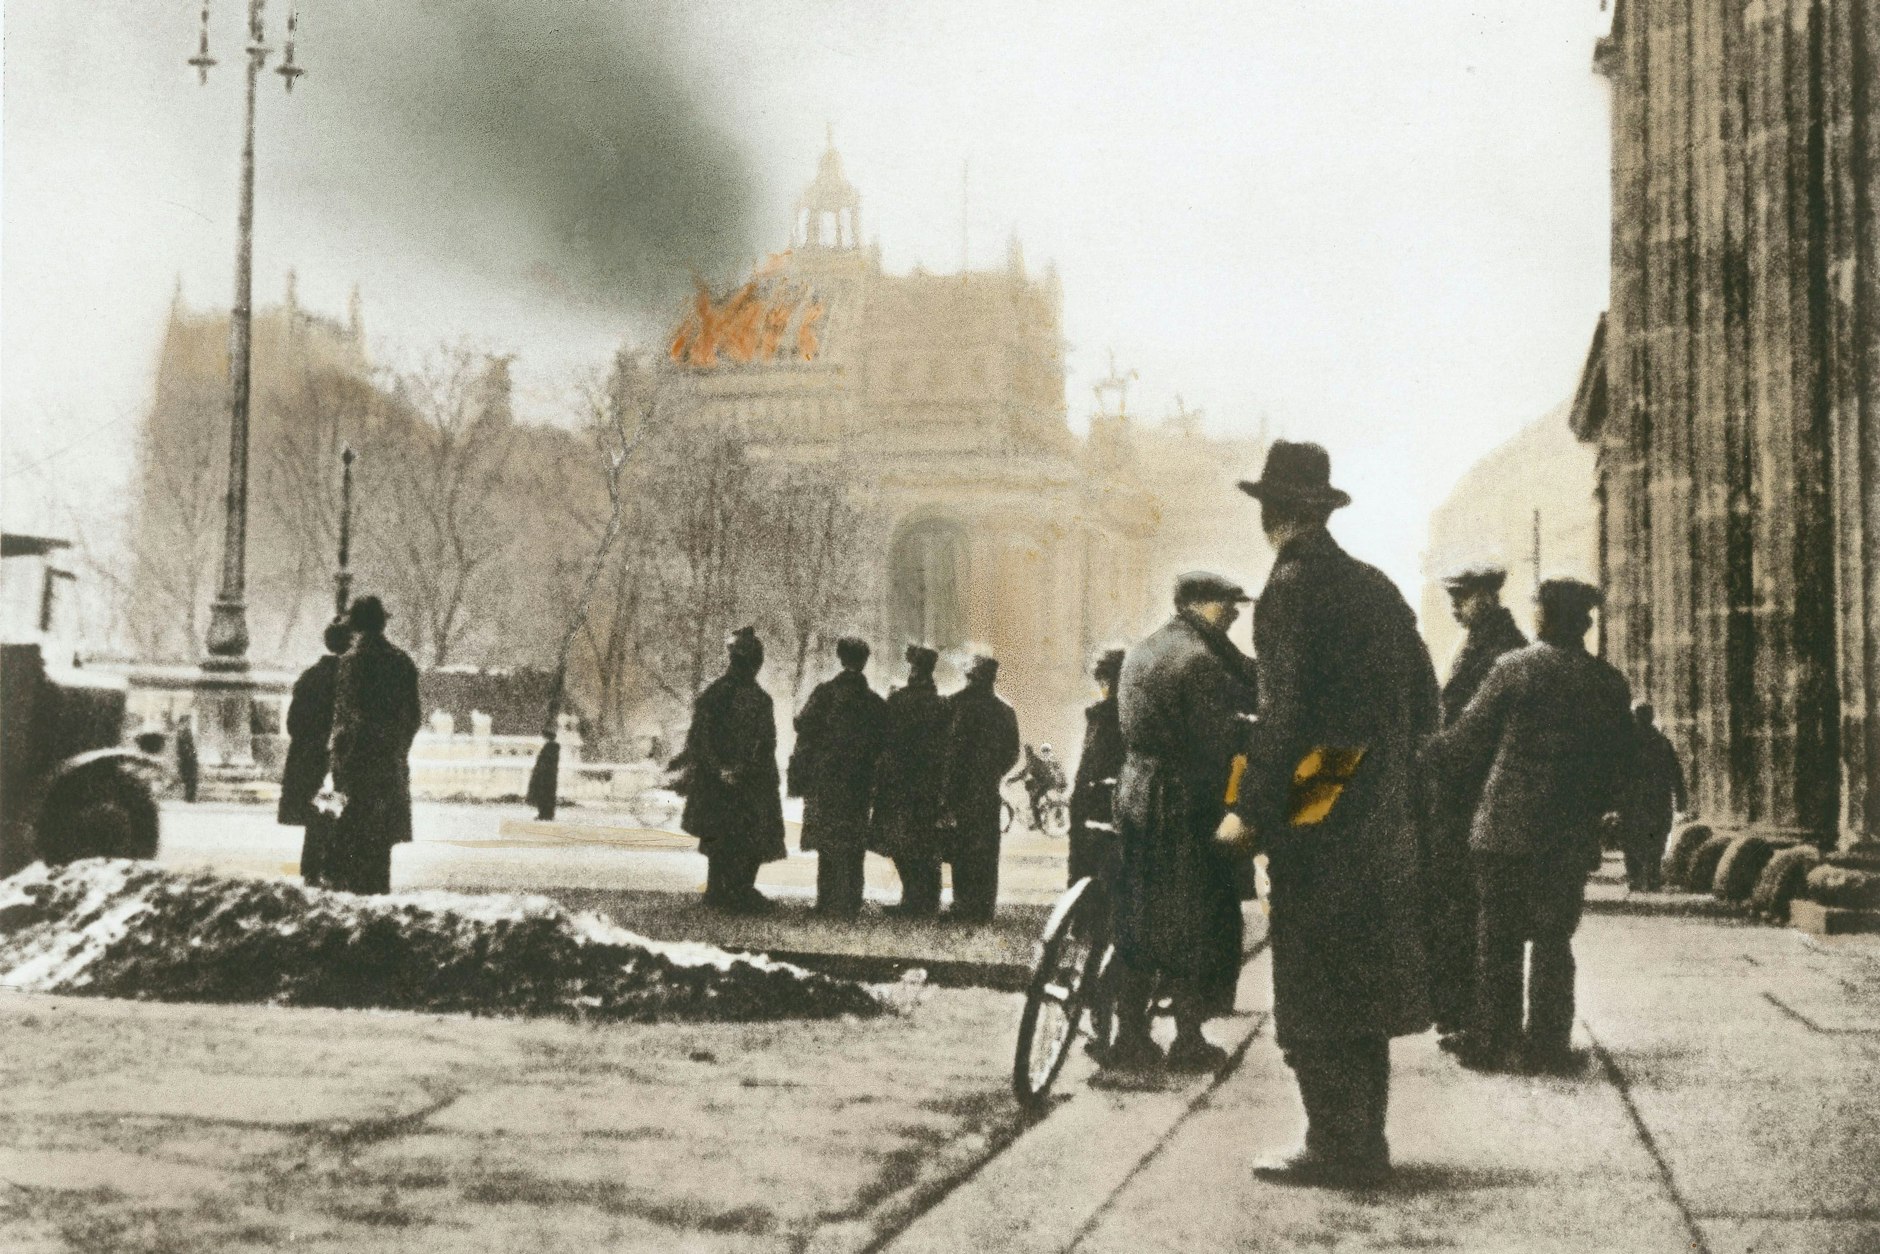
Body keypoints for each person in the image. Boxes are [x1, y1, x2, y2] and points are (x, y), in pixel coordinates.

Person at [1215, 440, 1440, 1188]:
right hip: (1379, 803)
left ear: (1271, 514)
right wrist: (1385, 783)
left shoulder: (1292, 587)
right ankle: (1363, 1139)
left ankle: (1333, 1144)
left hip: (1323, 808)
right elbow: (1423, 699)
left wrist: (1252, 812)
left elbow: (1281, 718)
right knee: (1363, 979)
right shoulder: (1373, 586)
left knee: (1311, 976)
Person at [1423, 578, 1635, 1076]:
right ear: (1582, 621)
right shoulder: (1607, 681)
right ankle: (1549, 1044)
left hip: (1504, 828)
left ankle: (1494, 1041)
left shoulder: (1512, 670)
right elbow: (1620, 762)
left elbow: (1462, 744)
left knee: (1496, 937)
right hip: (1567, 832)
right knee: (1553, 938)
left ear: (1543, 617)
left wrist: (1420, 746)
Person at [1109, 574, 1258, 1072]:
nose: (1235, 613)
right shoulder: (1200, 661)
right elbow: (1214, 744)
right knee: (1195, 915)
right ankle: (1188, 1039)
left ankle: (1130, 1036)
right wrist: (1252, 735)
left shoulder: (1143, 650)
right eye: (1228, 604)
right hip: (1184, 801)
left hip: (1135, 795)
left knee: (1136, 914)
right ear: (1201, 604)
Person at [1427, 563, 1529, 1045]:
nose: (1455, 605)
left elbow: (1476, 730)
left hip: (1475, 792)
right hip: (1465, 791)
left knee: (1469, 907)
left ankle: (1471, 1017)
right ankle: (1460, 1013)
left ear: (1488, 597)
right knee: (1459, 904)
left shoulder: (1501, 650)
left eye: (1464, 596)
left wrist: (1430, 753)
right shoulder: (1483, 643)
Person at [676, 626, 788, 913]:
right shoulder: (752, 698)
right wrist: (731, 770)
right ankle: (735, 891)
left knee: (725, 837)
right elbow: (764, 743)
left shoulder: (717, 694)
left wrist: (721, 770)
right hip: (745, 781)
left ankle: (725, 891)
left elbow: (700, 738)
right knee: (742, 838)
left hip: (728, 781)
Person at [326, 596, 421, 895]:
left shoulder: (352, 663)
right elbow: (413, 717)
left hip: (358, 765)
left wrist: (339, 763)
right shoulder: (402, 662)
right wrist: (397, 749)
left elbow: (346, 719)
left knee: (354, 839)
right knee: (381, 844)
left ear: (356, 626)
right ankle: (380, 900)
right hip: (389, 764)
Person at [788, 637, 888, 917]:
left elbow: (803, 724)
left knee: (828, 840)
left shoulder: (825, 693)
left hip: (827, 778)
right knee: (854, 841)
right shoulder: (874, 702)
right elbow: (882, 741)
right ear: (864, 661)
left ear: (840, 658)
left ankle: (827, 901)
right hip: (860, 780)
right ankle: (852, 900)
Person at [938, 654, 1020, 921]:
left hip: (958, 787)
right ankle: (983, 907)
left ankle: (962, 905)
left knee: (962, 846)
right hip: (986, 789)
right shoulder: (1005, 711)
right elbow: (1012, 753)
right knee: (986, 849)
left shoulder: (954, 704)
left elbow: (944, 751)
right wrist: (993, 773)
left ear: (970, 675)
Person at [871, 645, 950, 917]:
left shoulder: (899, 701)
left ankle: (913, 900)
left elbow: (883, 737)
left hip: (899, 782)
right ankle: (926, 900)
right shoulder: (941, 705)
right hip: (929, 783)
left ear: (914, 670)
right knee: (925, 842)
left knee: (901, 843)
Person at [279, 618, 352, 886]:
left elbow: (293, 724)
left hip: (310, 760)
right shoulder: (351, 680)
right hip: (339, 759)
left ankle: (310, 870)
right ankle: (334, 870)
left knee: (316, 816)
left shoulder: (309, 677)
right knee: (339, 815)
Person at [1067, 649, 1127, 889]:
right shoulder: (1131, 715)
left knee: (1087, 870)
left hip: (1096, 801)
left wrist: (1078, 799)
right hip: (1119, 798)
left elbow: (1089, 764)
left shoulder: (1101, 716)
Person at [1619, 702, 1686, 891]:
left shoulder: (1633, 744)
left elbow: (1674, 771)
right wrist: (1680, 797)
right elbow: (1676, 773)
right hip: (1651, 799)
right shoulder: (1660, 742)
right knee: (1651, 838)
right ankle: (1648, 876)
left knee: (1638, 838)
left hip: (1640, 800)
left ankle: (1639, 877)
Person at [526, 728, 561, 822]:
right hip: (549, 775)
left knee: (544, 795)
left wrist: (539, 772)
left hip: (545, 776)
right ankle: (546, 814)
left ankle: (545, 814)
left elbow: (544, 763)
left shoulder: (550, 747)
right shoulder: (552, 746)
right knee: (547, 795)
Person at [174, 718, 200, 804]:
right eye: (185, 723)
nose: (186, 724)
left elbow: (192, 746)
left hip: (190, 759)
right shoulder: (181, 734)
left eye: (187, 723)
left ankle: (190, 797)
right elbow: (180, 748)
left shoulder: (187, 733)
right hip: (184, 759)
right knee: (187, 777)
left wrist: (193, 754)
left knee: (191, 778)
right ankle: (188, 796)